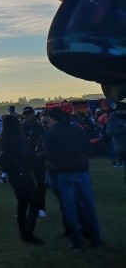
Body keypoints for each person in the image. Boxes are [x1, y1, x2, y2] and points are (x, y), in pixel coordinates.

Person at [43, 107, 102, 250]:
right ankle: (96, 240)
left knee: (70, 208)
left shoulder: (50, 134)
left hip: (64, 173)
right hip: (82, 170)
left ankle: (76, 241)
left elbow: (49, 155)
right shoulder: (77, 130)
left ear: (52, 119)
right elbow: (88, 149)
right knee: (89, 206)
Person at [0, 115, 43, 244]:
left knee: (22, 203)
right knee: (34, 203)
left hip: (12, 175)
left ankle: (23, 232)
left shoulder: (3, 138)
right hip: (23, 173)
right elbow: (27, 154)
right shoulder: (19, 138)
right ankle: (28, 233)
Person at [21, 106, 47, 216]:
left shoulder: (39, 126)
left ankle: (41, 207)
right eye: (25, 115)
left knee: (40, 183)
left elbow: (44, 140)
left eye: (28, 115)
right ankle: (31, 206)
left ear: (33, 115)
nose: (26, 117)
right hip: (25, 159)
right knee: (27, 184)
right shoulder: (21, 128)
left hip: (38, 158)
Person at [106, 101, 126, 183]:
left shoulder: (122, 118)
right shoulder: (113, 119)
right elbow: (110, 132)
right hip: (122, 147)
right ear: (120, 110)